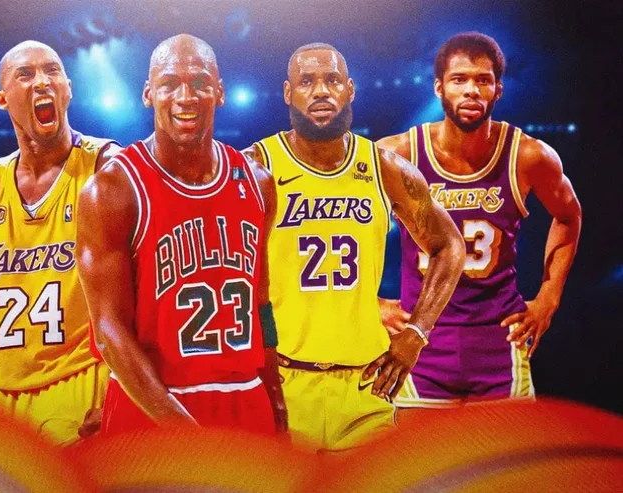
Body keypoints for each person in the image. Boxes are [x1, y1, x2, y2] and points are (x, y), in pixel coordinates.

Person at [244, 43, 465, 451]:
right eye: (306, 82)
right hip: (282, 383)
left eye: (332, 80)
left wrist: (416, 333)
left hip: (365, 386)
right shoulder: (257, 166)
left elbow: (449, 245)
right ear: (288, 93)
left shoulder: (384, 168)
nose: (320, 91)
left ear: (350, 89)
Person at [76, 34, 287, 436]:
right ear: (148, 94)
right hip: (151, 405)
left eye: (200, 83)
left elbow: (260, 305)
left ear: (220, 92)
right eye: (170, 83)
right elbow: (109, 332)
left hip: (245, 399)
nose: (185, 97)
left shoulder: (257, 181)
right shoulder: (113, 189)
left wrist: (275, 394)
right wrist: (184, 434)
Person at [377, 32, 582, 415]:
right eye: (459, 79)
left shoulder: (528, 156)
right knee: (421, 457)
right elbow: (344, 227)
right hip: (419, 342)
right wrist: (371, 304)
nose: (471, 90)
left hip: (499, 343)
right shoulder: (398, 154)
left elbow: (569, 216)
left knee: (508, 456)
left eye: (483, 80)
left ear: (498, 90)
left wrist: (549, 297)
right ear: (439, 87)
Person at [0, 41, 120, 445]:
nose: (42, 82)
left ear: (68, 89)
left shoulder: (105, 167)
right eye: (25, 74)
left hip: (84, 385)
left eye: (52, 71)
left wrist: (122, 396)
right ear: (2, 99)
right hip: (7, 401)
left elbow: (141, 293)